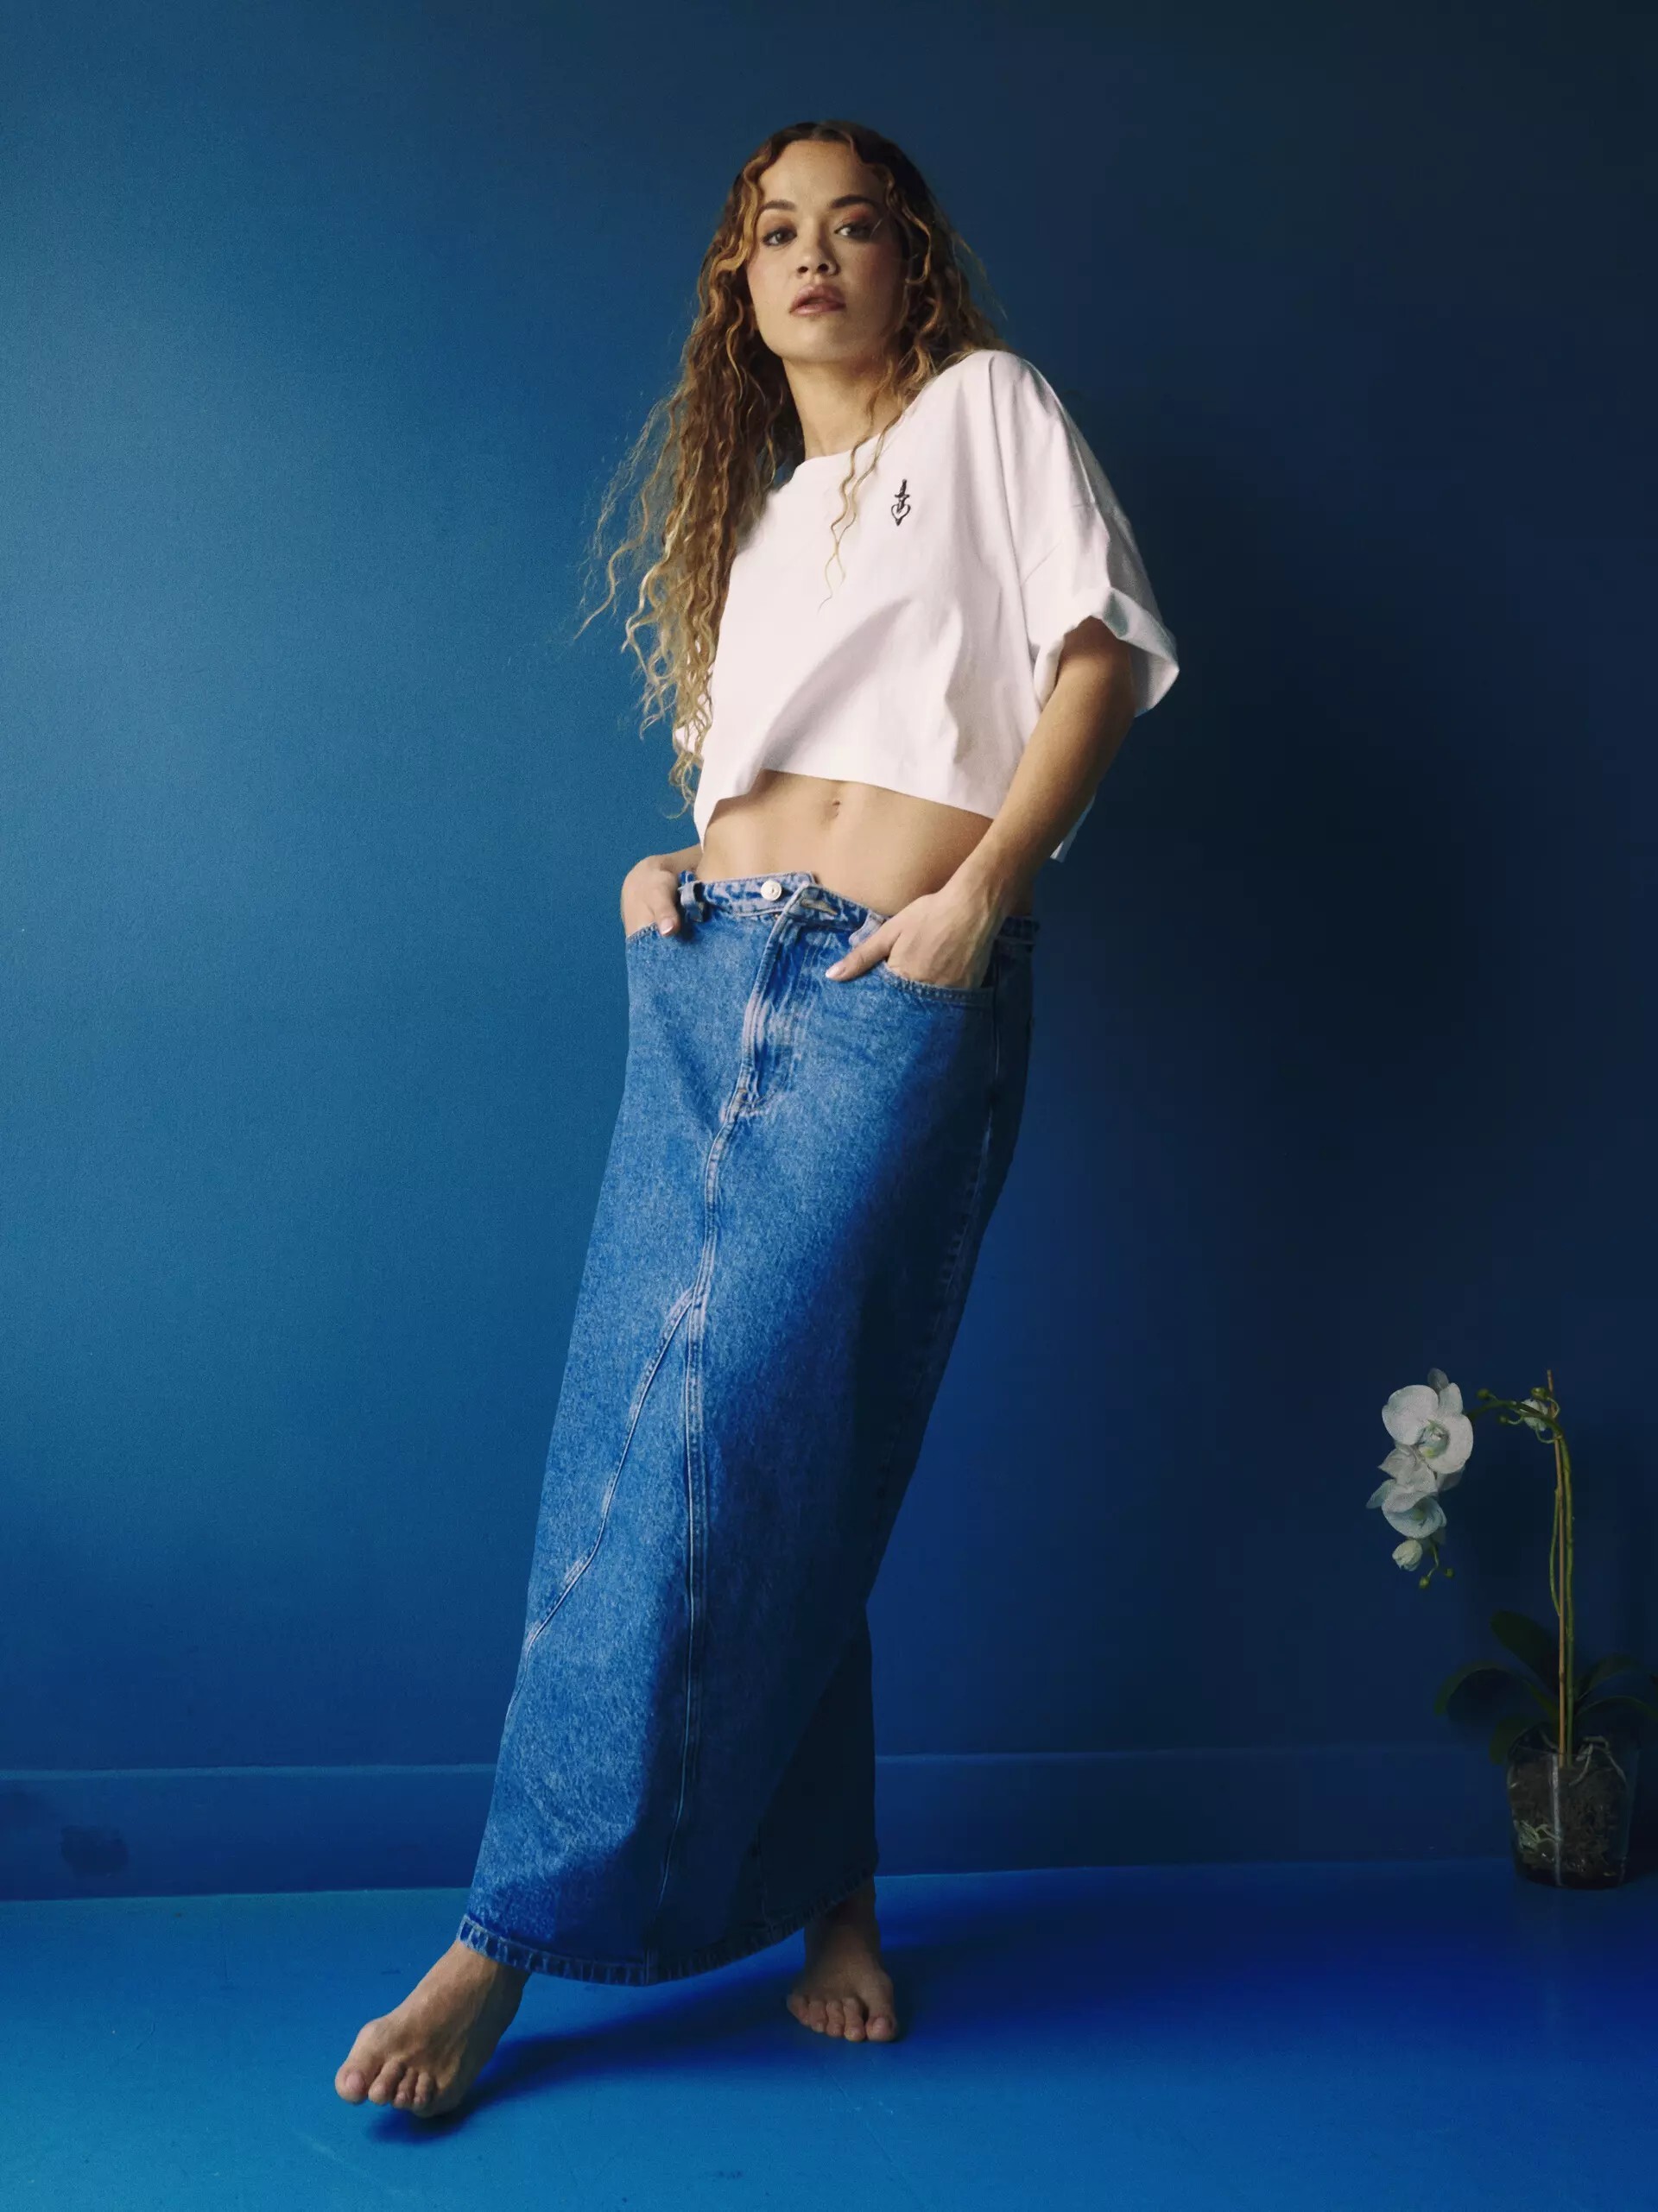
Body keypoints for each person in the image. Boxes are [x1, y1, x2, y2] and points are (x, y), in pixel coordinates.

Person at [336, 116, 1180, 2120]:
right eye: (777, 230)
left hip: (895, 980)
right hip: (708, 970)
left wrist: (981, 898)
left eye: (854, 226)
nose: (816, 255)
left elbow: (1093, 658)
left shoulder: (988, 414)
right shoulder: (763, 521)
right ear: (741, 279)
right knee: (762, 1447)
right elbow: (771, 770)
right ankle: (834, 1902)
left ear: (909, 263)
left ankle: (502, 1942)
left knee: (720, 1441)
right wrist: (669, 864)